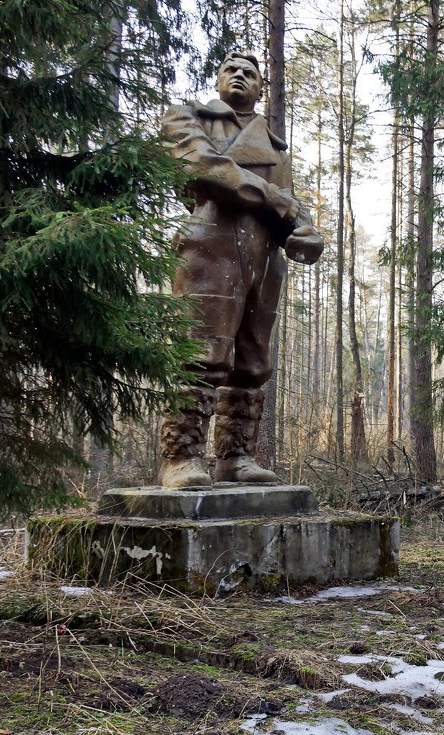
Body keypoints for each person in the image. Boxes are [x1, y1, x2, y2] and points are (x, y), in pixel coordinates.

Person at [157, 52, 323, 489]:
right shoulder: (188, 116)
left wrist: (305, 230)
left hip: (263, 256)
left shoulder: (276, 147)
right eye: (230, 69)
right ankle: (181, 456)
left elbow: (290, 203)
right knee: (199, 354)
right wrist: (274, 198)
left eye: (249, 73)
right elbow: (203, 168)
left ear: (260, 88)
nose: (239, 76)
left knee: (252, 362)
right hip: (210, 246)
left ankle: (235, 456)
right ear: (216, 78)